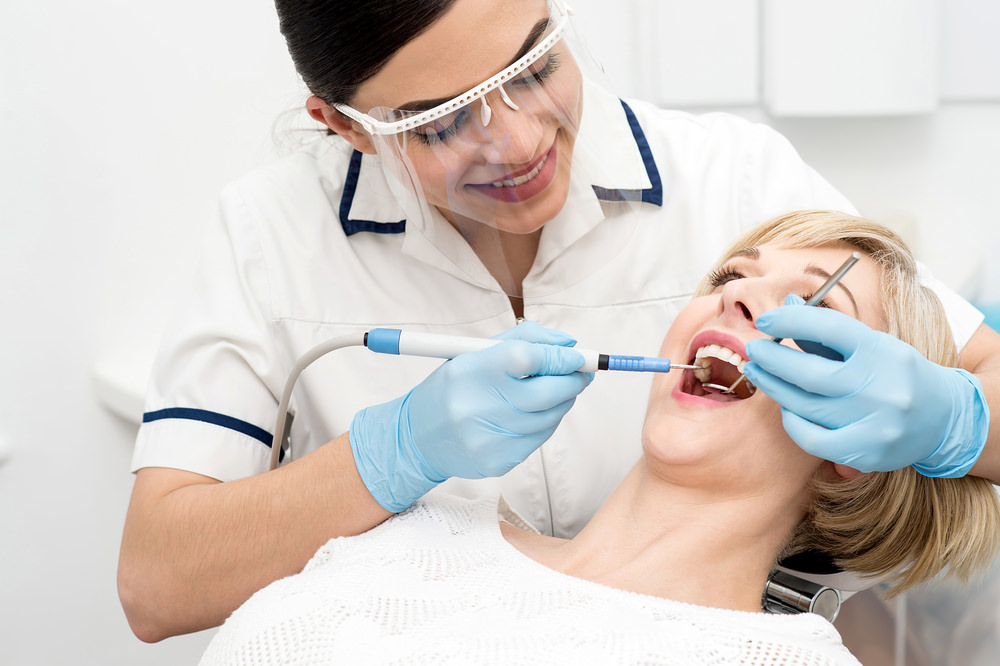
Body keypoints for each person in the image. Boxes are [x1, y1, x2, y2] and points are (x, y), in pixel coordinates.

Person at [117, 0, 1000, 641]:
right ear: (343, 127)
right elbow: (157, 584)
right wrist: (393, 453)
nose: (517, 142)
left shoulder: (733, 179)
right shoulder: (270, 236)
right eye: (440, 123)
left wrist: (957, 421)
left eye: (533, 67)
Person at [197, 210, 1000, 665]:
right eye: (730, 277)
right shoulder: (415, 528)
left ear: (854, 450)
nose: (744, 299)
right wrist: (395, 449)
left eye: (818, 314)